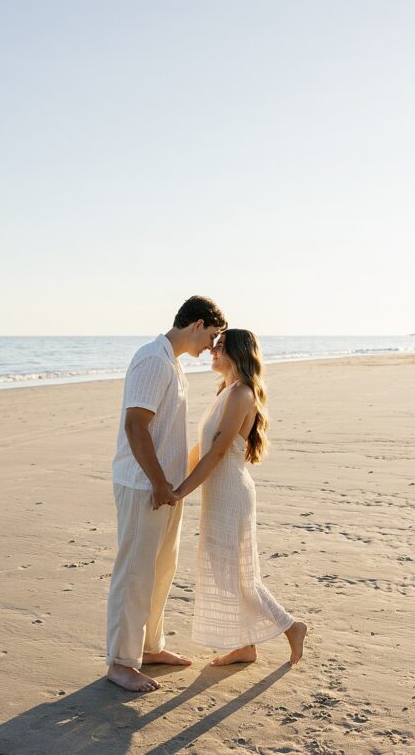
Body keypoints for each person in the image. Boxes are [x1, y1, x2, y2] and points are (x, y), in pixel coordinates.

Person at [105, 296, 227, 692]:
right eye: (211, 335)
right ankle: (121, 663)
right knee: (135, 575)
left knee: (160, 572)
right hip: (145, 486)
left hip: (166, 488)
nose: (211, 346)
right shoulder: (153, 360)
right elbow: (135, 426)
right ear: (196, 324)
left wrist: (172, 485)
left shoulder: (171, 363)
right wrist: (158, 482)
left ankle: (151, 648)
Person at [173, 329, 307, 665]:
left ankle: (291, 626)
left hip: (231, 492)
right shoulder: (227, 391)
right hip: (218, 492)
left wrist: (181, 491)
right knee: (224, 571)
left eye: (219, 348)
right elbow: (201, 448)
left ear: (236, 353)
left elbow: (217, 452)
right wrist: (175, 480)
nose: (212, 352)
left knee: (238, 574)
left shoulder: (242, 394)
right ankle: (246, 645)